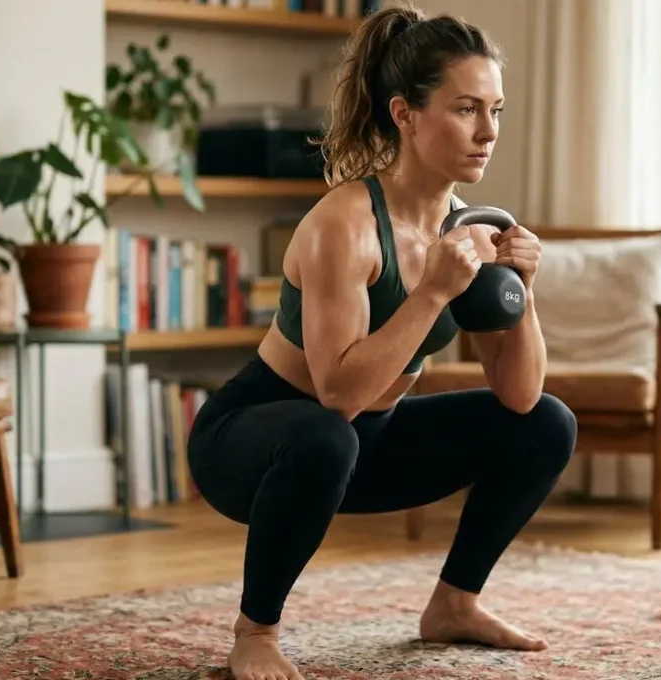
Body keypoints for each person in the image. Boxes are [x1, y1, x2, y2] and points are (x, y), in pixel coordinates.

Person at [185, 4, 578, 679]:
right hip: (254, 444)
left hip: (366, 442)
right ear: (405, 114)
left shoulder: (472, 232)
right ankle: (255, 631)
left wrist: (522, 287)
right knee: (325, 435)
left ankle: (454, 604)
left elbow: (518, 396)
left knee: (548, 423)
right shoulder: (344, 222)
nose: (488, 132)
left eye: (496, 110)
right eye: (465, 109)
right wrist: (429, 292)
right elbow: (337, 393)